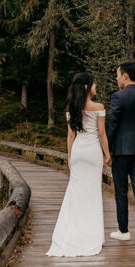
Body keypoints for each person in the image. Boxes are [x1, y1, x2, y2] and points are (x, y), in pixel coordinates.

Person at [46, 72, 111, 257]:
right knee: (91, 194)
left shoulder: (71, 108)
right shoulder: (98, 107)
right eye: (93, 84)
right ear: (86, 87)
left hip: (77, 152)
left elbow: (71, 135)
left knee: (75, 193)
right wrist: (107, 154)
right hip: (92, 153)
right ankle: (91, 235)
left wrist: (69, 157)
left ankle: (70, 233)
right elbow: (101, 134)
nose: (95, 87)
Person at [105, 61, 135, 244]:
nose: (117, 79)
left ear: (125, 75)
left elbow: (112, 125)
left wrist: (106, 150)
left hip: (121, 150)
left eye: (118, 75)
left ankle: (123, 230)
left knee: (121, 190)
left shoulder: (118, 97)